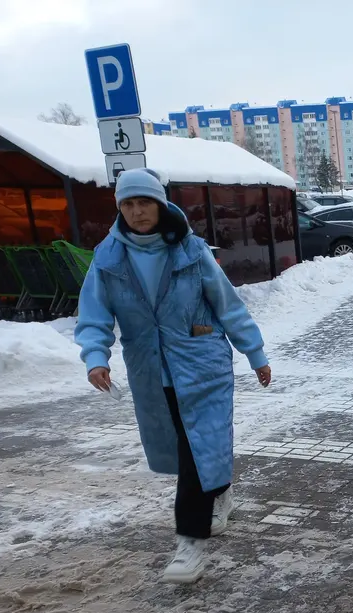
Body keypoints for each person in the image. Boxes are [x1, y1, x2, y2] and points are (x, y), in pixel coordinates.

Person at [75, 169, 272, 584]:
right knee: (190, 447)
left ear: (160, 205)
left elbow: (228, 304)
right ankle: (221, 493)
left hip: (202, 365)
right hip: (151, 371)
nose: (137, 211)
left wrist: (254, 353)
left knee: (196, 449)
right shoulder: (108, 258)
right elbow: (93, 314)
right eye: (128, 204)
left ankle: (190, 543)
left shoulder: (191, 250)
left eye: (145, 202)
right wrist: (96, 357)